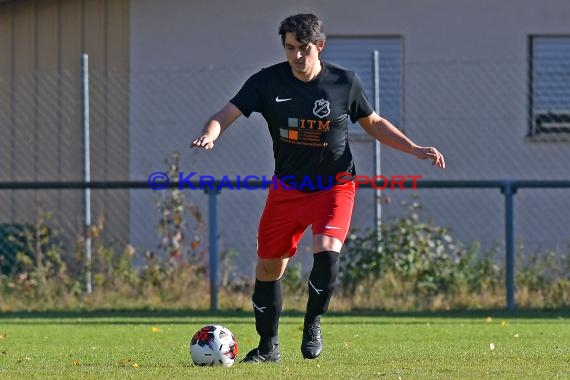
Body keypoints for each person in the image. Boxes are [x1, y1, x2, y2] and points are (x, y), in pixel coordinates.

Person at [192, 13, 445, 363]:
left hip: (334, 186)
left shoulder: (344, 82)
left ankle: (313, 322)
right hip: (288, 189)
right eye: (290, 48)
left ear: (319, 46)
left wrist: (414, 148)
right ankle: (268, 348)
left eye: (304, 48)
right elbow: (226, 114)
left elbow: (374, 123)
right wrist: (210, 134)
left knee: (327, 251)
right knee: (269, 269)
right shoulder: (267, 83)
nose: (296, 56)